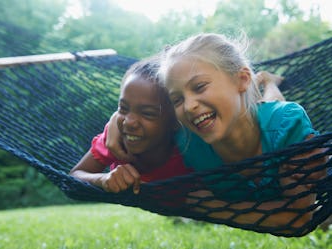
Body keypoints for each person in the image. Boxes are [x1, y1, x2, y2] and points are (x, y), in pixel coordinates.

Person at [105, 33, 326, 234]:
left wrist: (217, 208)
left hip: (275, 123)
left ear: (242, 79)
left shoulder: (288, 125)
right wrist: (115, 121)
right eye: (177, 99)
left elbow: (298, 218)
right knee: (257, 110)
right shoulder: (186, 140)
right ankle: (264, 83)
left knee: (271, 110)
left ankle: (267, 82)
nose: (189, 105)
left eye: (199, 87)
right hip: (247, 117)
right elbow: (144, 112)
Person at [69, 56, 193, 194]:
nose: (129, 122)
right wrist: (102, 179)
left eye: (147, 113)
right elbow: (75, 175)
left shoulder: (190, 145)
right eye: (123, 108)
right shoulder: (116, 140)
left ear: (176, 121)